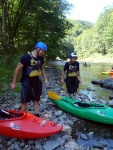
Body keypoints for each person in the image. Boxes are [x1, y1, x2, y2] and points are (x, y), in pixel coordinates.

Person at [11, 41, 49, 117]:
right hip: (26, 81)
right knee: (25, 101)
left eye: (44, 51)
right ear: (38, 49)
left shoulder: (40, 58)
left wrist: (46, 79)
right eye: (42, 51)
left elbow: (42, 68)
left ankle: (37, 115)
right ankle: (22, 117)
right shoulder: (26, 57)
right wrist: (14, 83)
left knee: (36, 99)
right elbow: (17, 69)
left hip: (36, 81)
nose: (43, 53)